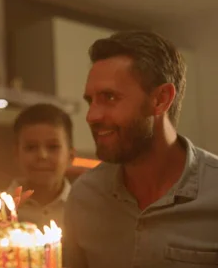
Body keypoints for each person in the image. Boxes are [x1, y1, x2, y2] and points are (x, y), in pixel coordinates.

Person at [64, 31, 218, 268]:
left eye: (110, 97)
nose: (91, 116)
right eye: (90, 101)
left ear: (160, 100)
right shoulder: (84, 196)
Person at [6, 103, 75, 230]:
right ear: (16, 154)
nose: (42, 156)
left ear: (70, 156)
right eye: (31, 147)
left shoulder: (84, 209)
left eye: (53, 147)